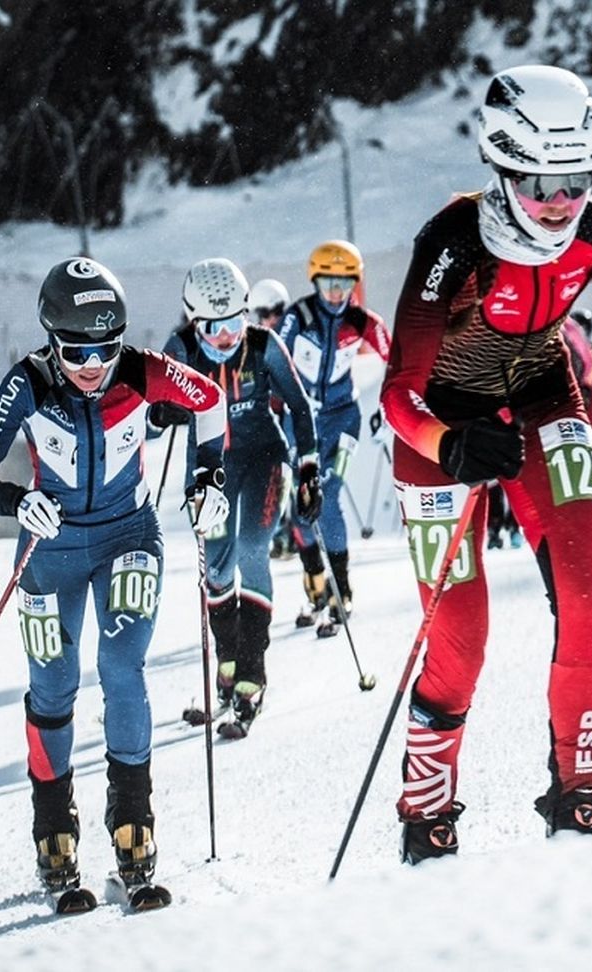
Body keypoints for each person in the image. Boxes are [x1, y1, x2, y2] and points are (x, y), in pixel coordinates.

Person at [379, 65, 592, 863]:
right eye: (540, 180)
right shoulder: (454, 241)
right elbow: (397, 395)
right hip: (440, 422)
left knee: (586, 592)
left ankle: (580, 796)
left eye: (577, 178)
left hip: (545, 396)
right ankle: (426, 811)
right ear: (502, 164)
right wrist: (452, 444)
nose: (558, 201)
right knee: (462, 636)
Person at [0, 257, 230, 902]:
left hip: (128, 534)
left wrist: (207, 475)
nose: (92, 364)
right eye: (76, 349)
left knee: (121, 665)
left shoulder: (140, 369)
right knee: (51, 686)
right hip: (49, 548)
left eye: (104, 348)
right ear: (52, 338)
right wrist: (16, 501)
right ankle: (53, 829)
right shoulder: (25, 384)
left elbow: (211, 401)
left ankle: (133, 823)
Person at [156, 259, 320, 738]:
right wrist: (162, 410)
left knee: (252, 549)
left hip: (264, 460)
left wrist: (309, 468)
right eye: (215, 326)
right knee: (216, 570)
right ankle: (227, 660)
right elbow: (150, 408)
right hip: (210, 468)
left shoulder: (264, 344)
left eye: (236, 322)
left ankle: (252, 672)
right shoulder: (181, 348)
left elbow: (299, 405)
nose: (228, 336)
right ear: (193, 320)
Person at [274, 240, 391, 636]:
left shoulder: (361, 321)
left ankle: (343, 589)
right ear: (315, 282)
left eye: (345, 284)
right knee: (302, 506)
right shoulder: (298, 317)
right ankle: (316, 582)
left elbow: (400, 357)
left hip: (343, 420)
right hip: (301, 422)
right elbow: (271, 356)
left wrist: (391, 405)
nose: (337, 294)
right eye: (328, 284)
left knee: (329, 497)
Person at [249, 278, 302, 561]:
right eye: (263, 314)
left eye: (276, 311)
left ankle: (296, 534)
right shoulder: (257, 341)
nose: (271, 319)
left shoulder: (291, 335)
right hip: (268, 417)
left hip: (290, 416)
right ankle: (282, 534)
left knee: (291, 474)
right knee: (275, 476)